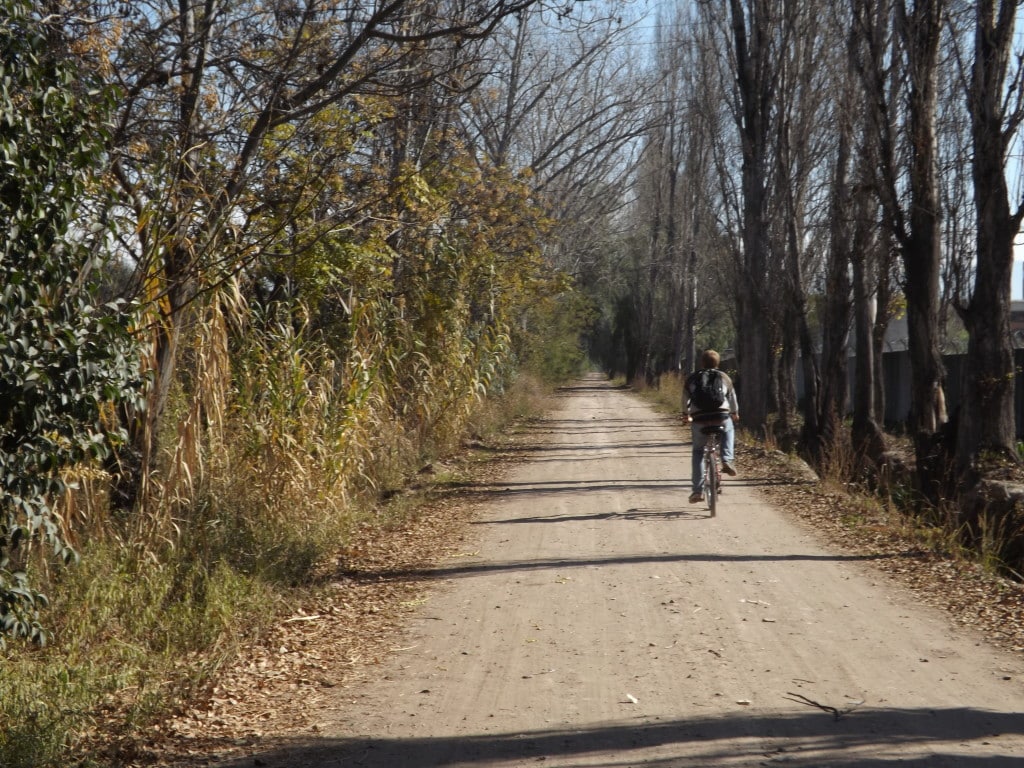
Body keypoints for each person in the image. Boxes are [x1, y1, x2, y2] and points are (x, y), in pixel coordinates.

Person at [684, 349, 739, 504]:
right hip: (721, 416)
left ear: (702, 363)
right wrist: (734, 413)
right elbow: (732, 398)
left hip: (699, 419)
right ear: (718, 363)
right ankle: (727, 459)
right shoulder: (724, 377)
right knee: (729, 428)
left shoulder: (693, 378)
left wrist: (684, 414)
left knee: (698, 452)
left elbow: (685, 398)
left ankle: (697, 491)